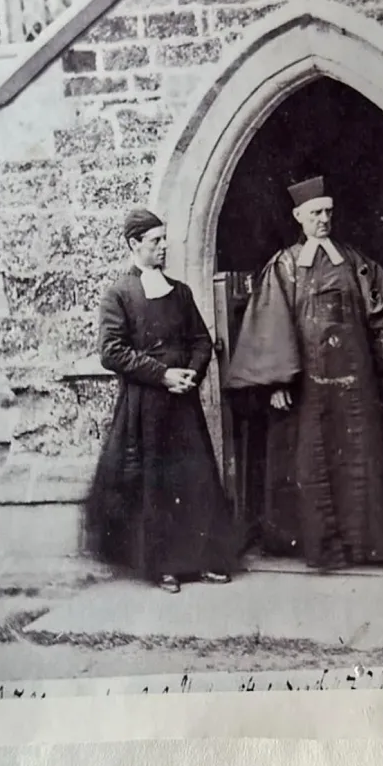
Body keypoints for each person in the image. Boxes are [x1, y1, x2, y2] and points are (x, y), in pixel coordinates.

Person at [223, 176, 383, 570]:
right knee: (312, 462)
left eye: (328, 212)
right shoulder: (284, 266)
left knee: (359, 460)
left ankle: (362, 546)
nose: (324, 219)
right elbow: (270, 323)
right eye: (316, 213)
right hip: (308, 388)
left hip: (355, 387)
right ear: (299, 217)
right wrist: (279, 380)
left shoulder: (354, 261)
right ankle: (316, 547)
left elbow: (382, 305)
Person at [83, 207, 237, 593]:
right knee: (157, 483)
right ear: (135, 245)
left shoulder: (180, 292)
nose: (163, 246)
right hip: (145, 405)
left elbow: (202, 341)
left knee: (195, 478)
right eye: (156, 241)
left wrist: (191, 374)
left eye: (164, 239)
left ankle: (204, 560)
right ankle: (163, 566)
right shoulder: (119, 294)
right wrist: (161, 375)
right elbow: (111, 352)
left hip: (182, 402)